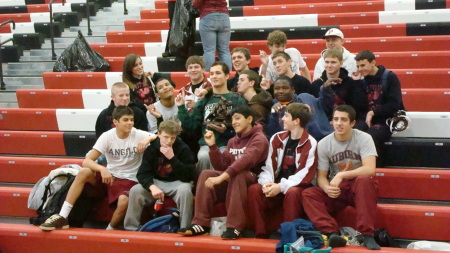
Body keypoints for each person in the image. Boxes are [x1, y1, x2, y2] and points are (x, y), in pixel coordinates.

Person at [39, 106, 155, 231]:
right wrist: (102, 169)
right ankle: (63, 216)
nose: (130, 123)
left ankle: (109, 230)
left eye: (131, 120)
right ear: (115, 122)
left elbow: (160, 136)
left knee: (123, 202)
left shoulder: (137, 134)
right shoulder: (107, 136)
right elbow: (87, 161)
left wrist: (148, 139)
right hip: (110, 176)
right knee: (84, 172)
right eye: (125, 120)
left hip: (129, 179)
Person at [179, 106, 269, 239]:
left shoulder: (259, 138)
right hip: (232, 179)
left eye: (237, 118)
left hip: (254, 179)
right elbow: (222, 165)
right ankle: (201, 223)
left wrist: (221, 178)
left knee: (239, 173)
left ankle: (234, 227)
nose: (234, 122)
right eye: (232, 119)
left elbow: (246, 161)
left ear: (249, 119)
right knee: (206, 174)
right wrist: (213, 147)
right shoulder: (233, 141)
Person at [302, 105, 380, 250]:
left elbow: (370, 169)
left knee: (364, 180)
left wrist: (342, 174)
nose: (339, 123)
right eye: (336, 119)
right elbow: (322, 177)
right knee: (308, 194)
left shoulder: (364, 138)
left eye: (344, 120)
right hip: (338, 188)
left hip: (358, 185)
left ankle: (367, 234)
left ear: (352, 123)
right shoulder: (324, 143)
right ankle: (332, 233)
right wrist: (327, 188)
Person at [247, 103, 317, 238]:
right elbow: (268, 167)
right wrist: (267, 183)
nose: (282, 119)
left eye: (286, 116)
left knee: (292, 192)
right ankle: (260, 232)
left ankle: (288, 234)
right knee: (254, 189)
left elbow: (304, 175)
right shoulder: (277, 138)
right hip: (276, 183)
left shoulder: (310, 142)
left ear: (296, 121)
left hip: (298, 186)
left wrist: (280, 186)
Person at [176, 61, 247, 178]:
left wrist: (227, 129)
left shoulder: (237, 99)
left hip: (228, 143)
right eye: (212, 74)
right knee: (204, 156)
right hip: (207, 144)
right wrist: (181, 107)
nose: (214, 76)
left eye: (218, 73)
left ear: (227, 76)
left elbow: (245, 127)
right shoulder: (204, 100)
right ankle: (202, 188)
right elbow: (192, 126)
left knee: (223, 155)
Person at [124, 120, 195, 230]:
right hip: (157, 182)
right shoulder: (152, 148)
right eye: (166, 137)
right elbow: (142, 173)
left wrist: (172, 158)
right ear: (158, 134)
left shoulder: (182, 148)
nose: (169, 141)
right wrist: (152, 187)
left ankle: (184, 228)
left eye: (172, 138)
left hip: (178, 183)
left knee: (185, 191)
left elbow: (189, 176)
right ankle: (131, 228)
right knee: (135, 190)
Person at [353, 50, 404, 167]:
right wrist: (355, 84)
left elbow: (394, 104)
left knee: (371, 135)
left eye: (363, 65)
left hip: (385, 120)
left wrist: (374, 112)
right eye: (358, 66)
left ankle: (375, 169)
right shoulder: (361, 81)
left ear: (373, 63)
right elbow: (358, 105)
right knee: (354, 133)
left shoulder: (389, 77)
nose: (360, 69)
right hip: (365, 119)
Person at [266, 76, 334, 142]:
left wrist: (326, 90)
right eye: (277, 88)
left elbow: (326, 106)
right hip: (300, 146)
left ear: (293, 90)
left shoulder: (306, 97)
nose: (280, 91)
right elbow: (273, 136)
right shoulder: (272, 109)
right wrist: (274, 114)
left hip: (326, 139)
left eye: (285, 88)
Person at [312, 49, 367, 120]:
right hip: (324, 123)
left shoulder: (351, 82)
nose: (329, 65)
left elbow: (359, 106)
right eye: (327, 62)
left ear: (341, 64)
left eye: (333, 62)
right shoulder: (316, 84)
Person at [193, 0, 232, 71]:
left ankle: (209, 75)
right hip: (224, 16)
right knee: (225, 50)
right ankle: (228, 75)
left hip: (208, 15)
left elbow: (196, 3)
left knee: (209, 50)